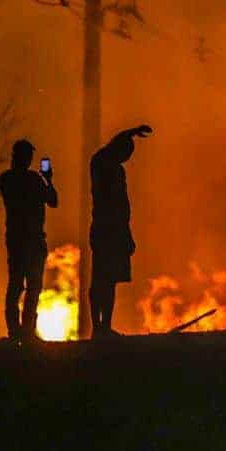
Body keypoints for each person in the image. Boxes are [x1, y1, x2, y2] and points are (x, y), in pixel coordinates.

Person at [89, 124, 152, 340]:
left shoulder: (116, 168)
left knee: (111, 279)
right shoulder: (100, 163)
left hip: (117, 231)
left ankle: (105, 326)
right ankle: (97, 327)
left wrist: (127, 235)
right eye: (125, 154)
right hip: (105, 229)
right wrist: (131, 131)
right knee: (100, 279)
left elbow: (123, 207)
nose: (126, 159)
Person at [0, 139, 57, 344]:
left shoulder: (7, 179)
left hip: (22, 240)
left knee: (25, 286)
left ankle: (22, 332)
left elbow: (52, 201)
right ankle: (21, 332)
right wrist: (48, 180)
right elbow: (53, 200)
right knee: (24, 286)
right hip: (27, 240)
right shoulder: (27, 180)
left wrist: (46, 180)